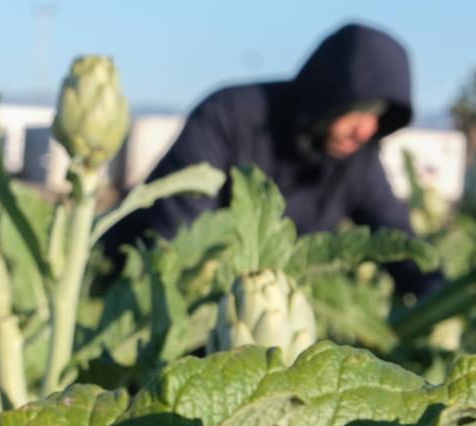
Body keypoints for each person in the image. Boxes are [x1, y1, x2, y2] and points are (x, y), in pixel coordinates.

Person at [109, 23, 437, 294]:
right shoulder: (229, 115)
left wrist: (436, 293)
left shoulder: (357, 160)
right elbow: (180, 235)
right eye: (360, 110)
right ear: (330, 92)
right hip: (132, 292)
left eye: (378, 116)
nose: (365, 129)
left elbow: (397, 237)